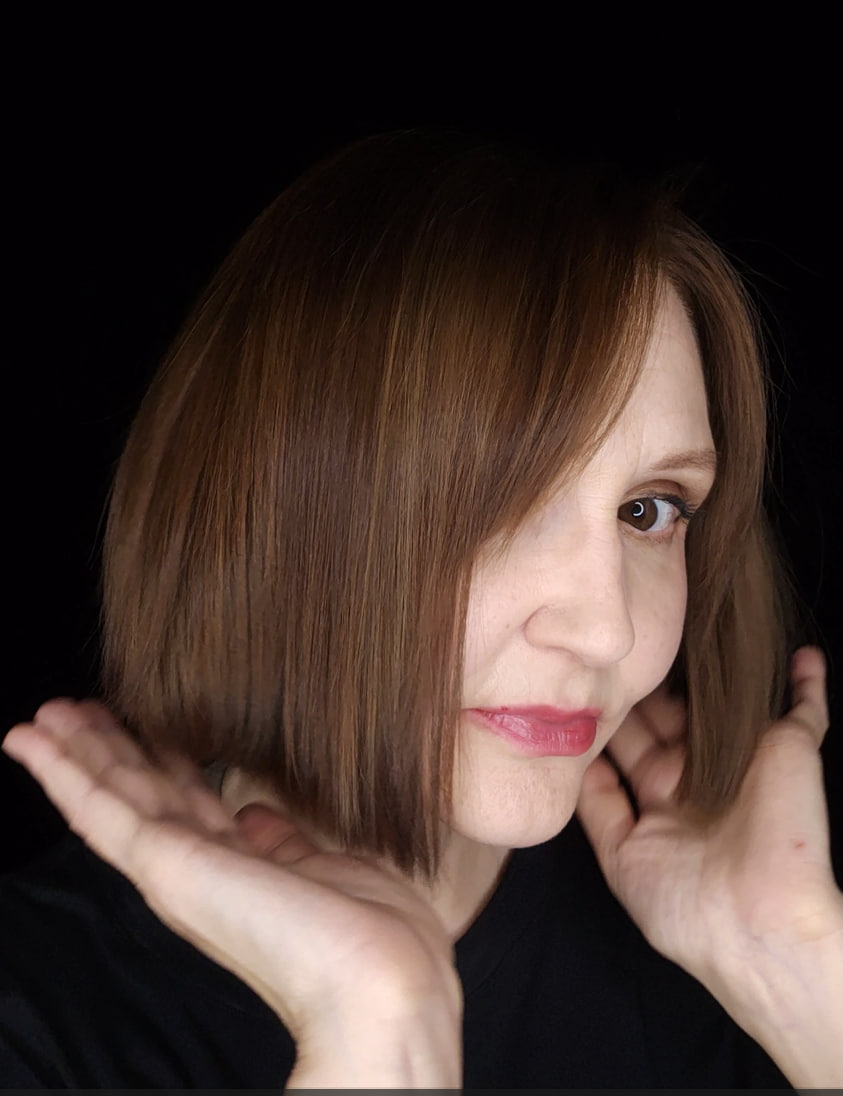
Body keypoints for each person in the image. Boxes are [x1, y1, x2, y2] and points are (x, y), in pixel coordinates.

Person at [1, 131, 841, 1088]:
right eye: (501, 503)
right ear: (287, 512)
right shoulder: (35, 1026)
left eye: (647, 511)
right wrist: (377, 1031)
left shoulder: (717, 957)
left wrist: (794, 965)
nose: (606, 629)